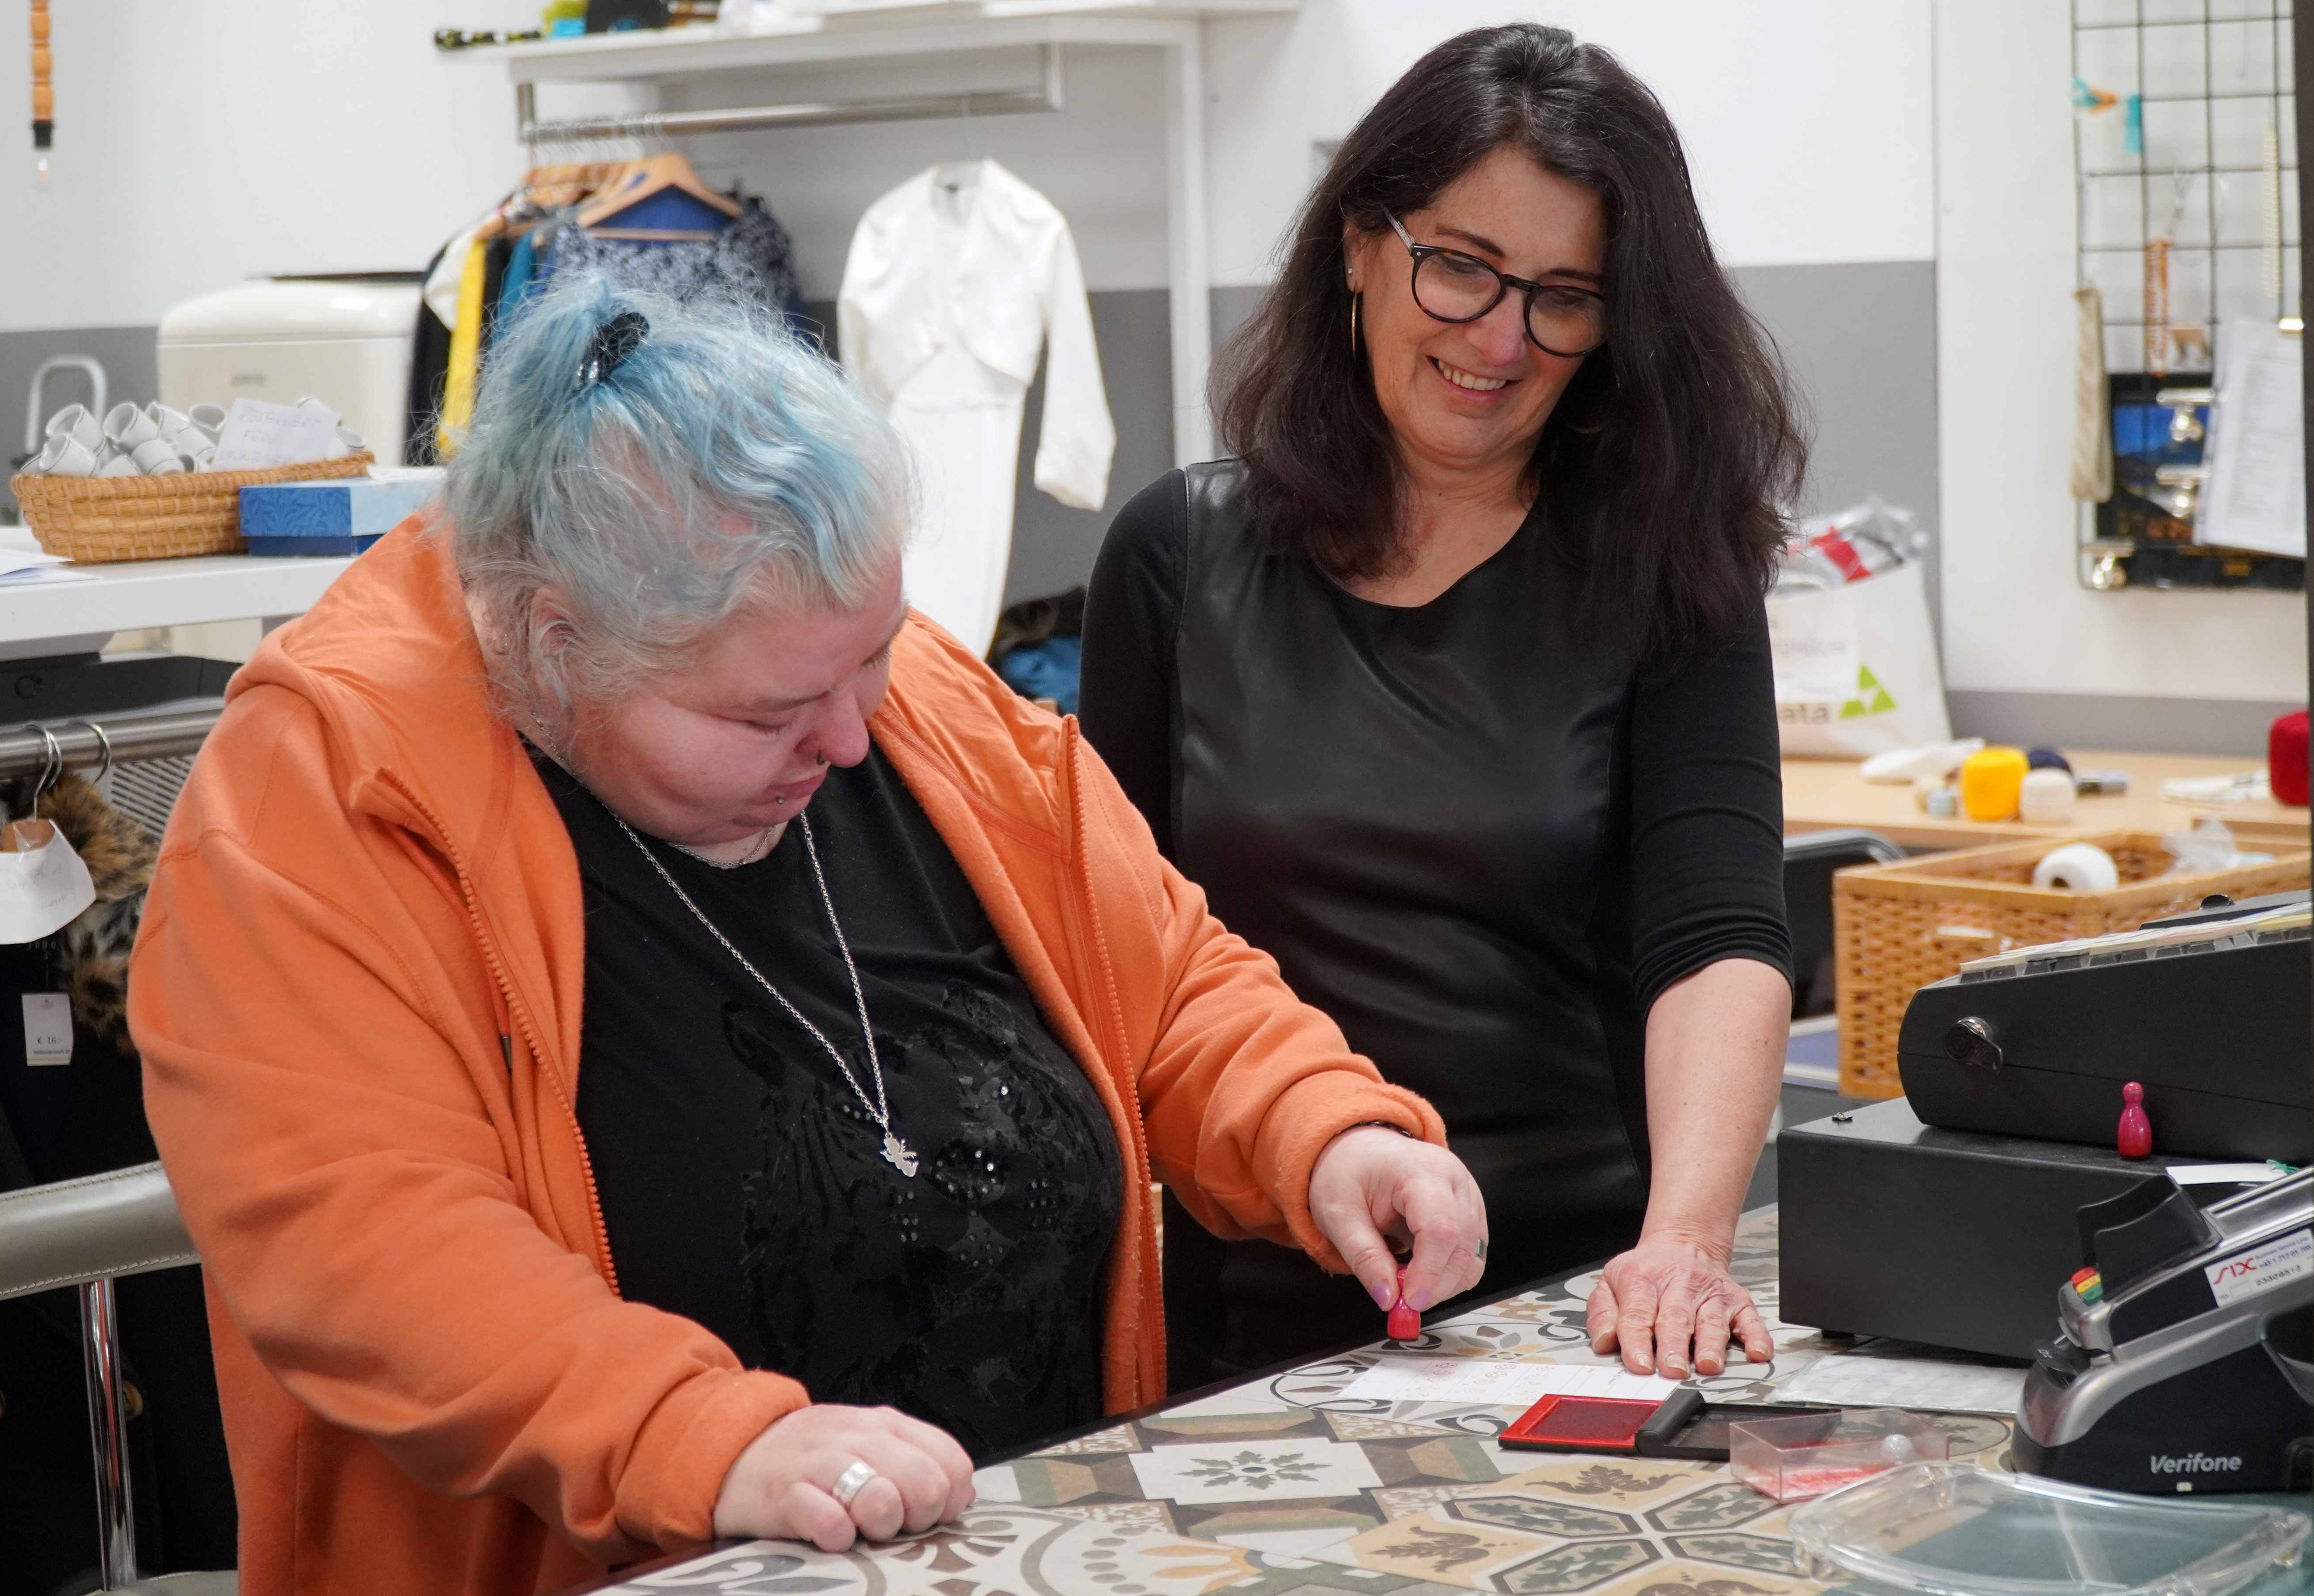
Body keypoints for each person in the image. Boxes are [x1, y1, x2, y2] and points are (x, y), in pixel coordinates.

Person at [130, 278, 1486, 1596]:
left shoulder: (873, 681)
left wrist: (1323, 1131)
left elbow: (1164, 978)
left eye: (876, 655)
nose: (847, 742)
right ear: (558, 646)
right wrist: (713, 1440)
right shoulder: (318, 796)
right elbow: (371, 1247)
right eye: (765, 716)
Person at [1080, 23, 1797, 1393]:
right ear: (1362, 243)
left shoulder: (1667, 572)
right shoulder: (1177, 554)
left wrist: (1684, 1245)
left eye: (1564, 297)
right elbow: (1110, 952)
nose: (1502, 341)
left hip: (1580, 1308)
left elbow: (1715, 940)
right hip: (1248, 1305)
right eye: (1460, 268)